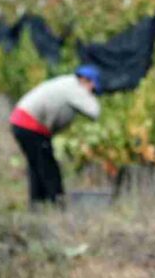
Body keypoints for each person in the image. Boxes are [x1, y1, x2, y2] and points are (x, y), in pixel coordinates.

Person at [10, 64, 102, 209]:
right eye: (92, 87)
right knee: (48, 167)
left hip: (21, 122)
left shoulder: (67, 83)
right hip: (30, 125)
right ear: (85, 80)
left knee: (37, 165)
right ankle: (57, 204)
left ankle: (37, 205)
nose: (92, 91)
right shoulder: (75, 88)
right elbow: (95, 111)